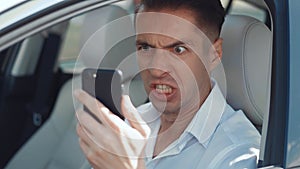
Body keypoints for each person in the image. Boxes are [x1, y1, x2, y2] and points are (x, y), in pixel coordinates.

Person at [74, 0, 261, 168]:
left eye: (178, 50)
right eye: (145, 47)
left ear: (214, 54)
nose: (156, 70)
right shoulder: (131, 123)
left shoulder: (239, 154)